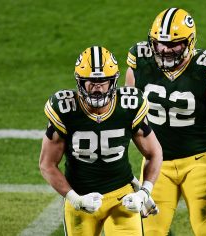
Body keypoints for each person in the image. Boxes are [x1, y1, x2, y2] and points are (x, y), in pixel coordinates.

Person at [125, 8, 206, 236]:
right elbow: (125, 115)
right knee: (149, 232)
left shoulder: (205, 69)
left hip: (198, 162)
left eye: (174, 44)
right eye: (159, 43)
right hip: (157, 164)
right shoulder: (140, 63)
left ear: (189, 42)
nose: (164, 49)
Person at [39, 46, 163, 236]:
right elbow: (47, 164)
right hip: (81, 197)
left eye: (103, 81)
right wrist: (75, 199)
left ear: (113, 81)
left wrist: (143, 192)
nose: (97, 87)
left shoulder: (129, 105)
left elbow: (154, 153)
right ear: (79, 81)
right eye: (91, 81)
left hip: (122, 197)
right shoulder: (65, 109)